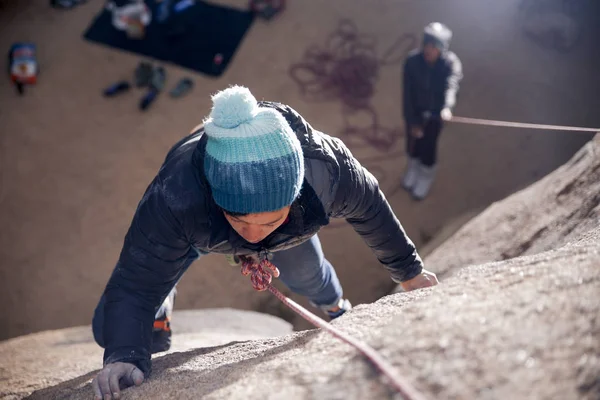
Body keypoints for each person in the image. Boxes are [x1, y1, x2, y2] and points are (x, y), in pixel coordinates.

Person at [91, 86, 439, 399]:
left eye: (270, 219)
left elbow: (371, 209)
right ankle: (160, 308)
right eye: (240, 219)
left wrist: (409, 271)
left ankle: (334, 307)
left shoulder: (327, 172)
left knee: (308, 274)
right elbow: (137, 277)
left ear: (297, 191)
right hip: (201, 229)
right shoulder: (177, 196)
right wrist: (123, 354)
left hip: (269, 228)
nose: (254, 235)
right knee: (116, 315)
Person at [402, 22, 463, 200]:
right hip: (415, 112)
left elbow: (451, 86)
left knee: (428, 147)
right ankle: (412, 169)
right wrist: (412, 121)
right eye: (427, 45)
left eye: (434, 47)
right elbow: (407, 94)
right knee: (412, 144)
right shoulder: (412, 62)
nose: (429, 50)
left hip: (435, 116)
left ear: (442, 49)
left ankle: (425, 176)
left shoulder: (450, 64)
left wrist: (447, 107)